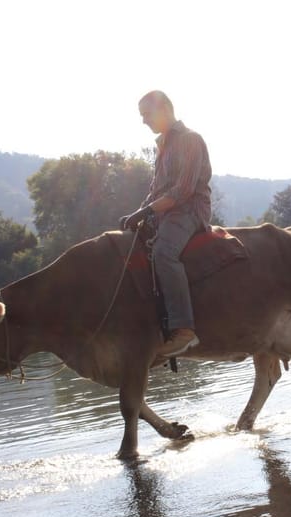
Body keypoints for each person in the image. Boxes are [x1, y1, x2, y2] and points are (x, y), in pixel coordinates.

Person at [126, 90, 213, 356]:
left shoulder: (191, 140)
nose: (143, 121)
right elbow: (156, 189)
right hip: (165, 213)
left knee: (164, 253)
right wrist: (140, 212)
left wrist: (147, 211)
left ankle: (184, 329)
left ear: (164, 109)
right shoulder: (162, 144)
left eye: (146, 114)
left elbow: (183, 190)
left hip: (189, 211)